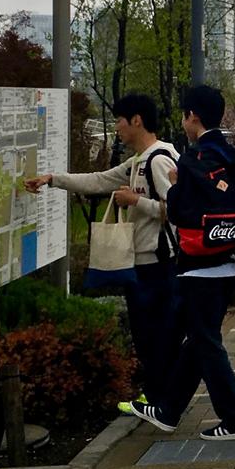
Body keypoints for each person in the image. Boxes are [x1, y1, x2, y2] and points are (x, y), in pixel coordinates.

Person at [30, 92, 178, 405]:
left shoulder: (159, 159)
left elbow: (178, 210)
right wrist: (53, 179)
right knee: (146, 335)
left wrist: (137, 201)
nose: (118, 128)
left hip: (157, 264)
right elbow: (99, 181)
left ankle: (160, 400)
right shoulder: (136, 162)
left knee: (155, 335)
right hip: (140, 263)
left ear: (137, 120)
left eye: (120, 121)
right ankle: (156, 396)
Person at [126, 86, 235, 440]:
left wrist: (174, 185)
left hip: (201, 265)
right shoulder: (232, 154)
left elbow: (179, 214)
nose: (183, 122)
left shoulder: (193, 159)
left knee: (205, 341)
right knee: (196, 339)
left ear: (192, 116)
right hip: (233, 260)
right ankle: (168, 410)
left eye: (184, 115)